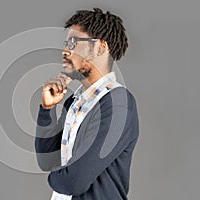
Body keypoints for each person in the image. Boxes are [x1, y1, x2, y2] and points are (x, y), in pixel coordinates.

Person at [35, 8, 139, 200]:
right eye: (66, 43)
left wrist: (54, 178)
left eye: (74, 42)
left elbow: (74, 181)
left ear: (100, 47)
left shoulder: (118, 104)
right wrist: (47, 109)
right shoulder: (74, 102)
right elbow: (47, 160)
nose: (66, 50)